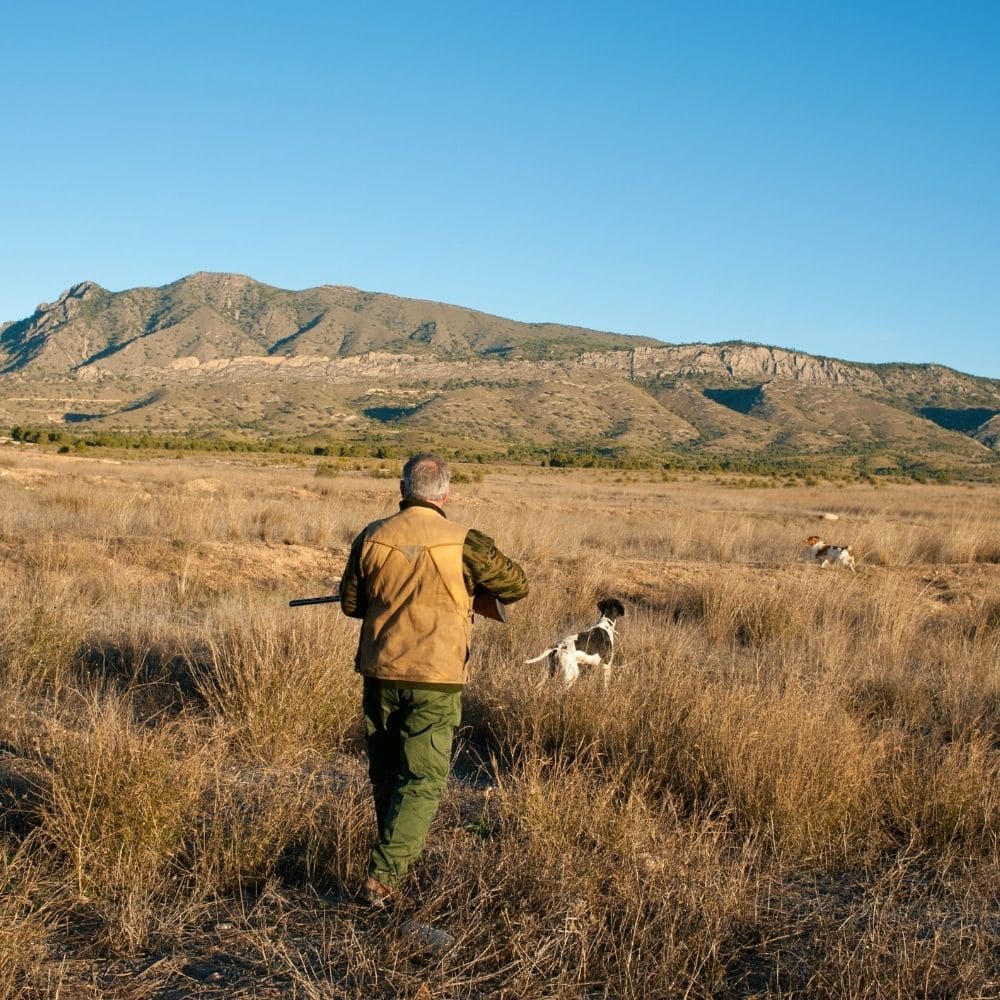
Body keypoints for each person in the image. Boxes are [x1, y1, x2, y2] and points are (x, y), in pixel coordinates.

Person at [339, 452, 529, 907]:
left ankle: (389, 865)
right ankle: (383, 880)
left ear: (403, 490)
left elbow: (351, 604)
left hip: (380, 670)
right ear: (446, 495)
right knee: (421, 779)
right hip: (437, 676)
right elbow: (517, 586)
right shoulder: (467, 543)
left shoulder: (372, 536)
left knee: (386, 773)